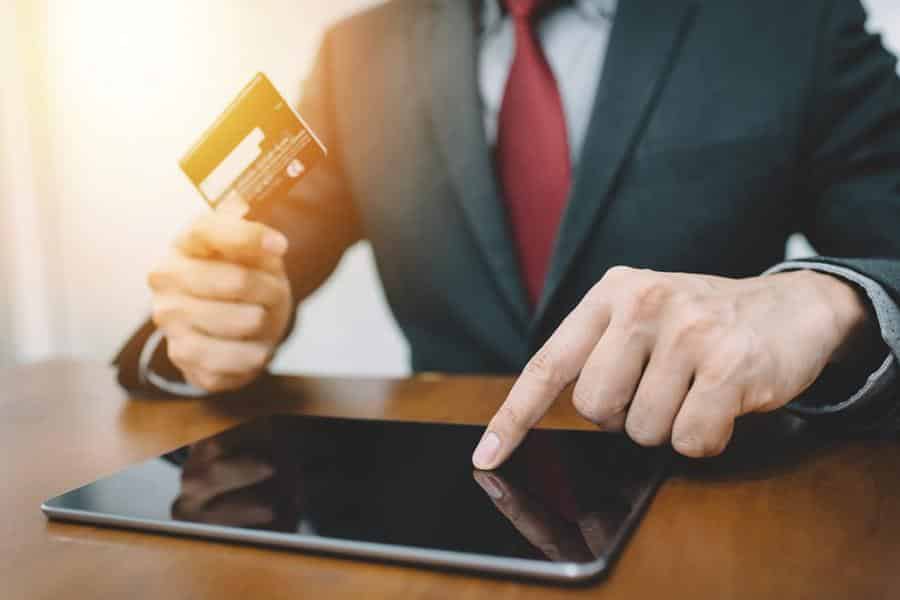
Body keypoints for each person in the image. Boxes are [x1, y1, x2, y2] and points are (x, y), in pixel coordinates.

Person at [116, 0, 900, 469]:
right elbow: (250, 263)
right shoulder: (358, 52)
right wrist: (209, 322)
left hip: (706, 496)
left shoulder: (793, 22)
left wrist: (832, 303)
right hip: (435, 511)